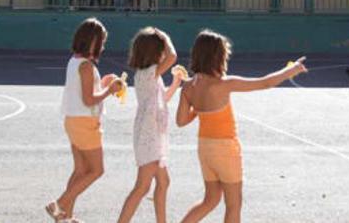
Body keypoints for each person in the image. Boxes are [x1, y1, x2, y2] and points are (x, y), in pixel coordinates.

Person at [176, 30, 307, 223]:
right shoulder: (224, 83)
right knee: (233, 205)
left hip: (204, 147)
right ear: (218, 57)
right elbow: (264, 83)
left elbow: (180, 121)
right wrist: (292, 70)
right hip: (226, 149)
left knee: (210, 200)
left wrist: (198, 108)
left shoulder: (188, 87)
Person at [46, 18, 123, 222]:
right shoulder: (87, 66)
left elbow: (85, 91)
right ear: (93, 42)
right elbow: (89, 100)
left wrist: (104, 83)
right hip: (85, 124)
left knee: (80, 170)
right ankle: (59, 204)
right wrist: (110, 90)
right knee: (97, 170)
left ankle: (65, 216)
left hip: (72, 121)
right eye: (102, 42)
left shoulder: (75, 61)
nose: (104, 46)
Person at [117, 28, 184, 223]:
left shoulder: (151, 75)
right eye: (161, 49)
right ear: (154, 52)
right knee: (142, 186)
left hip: (154, 134)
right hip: (149, 135)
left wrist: (176, 82)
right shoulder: (148, 73)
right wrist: (165, 36)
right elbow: (173, 56)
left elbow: (163, 99)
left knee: (163, 181)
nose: (164, 53)